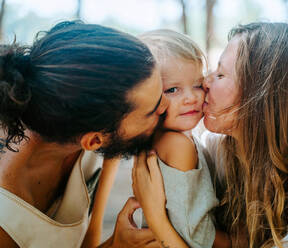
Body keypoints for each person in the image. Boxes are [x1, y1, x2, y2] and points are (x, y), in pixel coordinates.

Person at [132, 22, 288, 248]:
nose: (205, 82)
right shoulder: (226, 149)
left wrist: (158, 221)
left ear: (265, 98)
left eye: (221, 74)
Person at [0, 20, 169, 248]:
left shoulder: (85, 127)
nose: (166, 105)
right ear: (94, 140)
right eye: (152, 109)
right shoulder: (5, 225)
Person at [86, 29, 219, 248]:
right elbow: (194, 233)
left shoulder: (152, 141)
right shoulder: (177, 146)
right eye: (173, 89)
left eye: (197, 84)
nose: (191, 98)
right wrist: (234, 241)